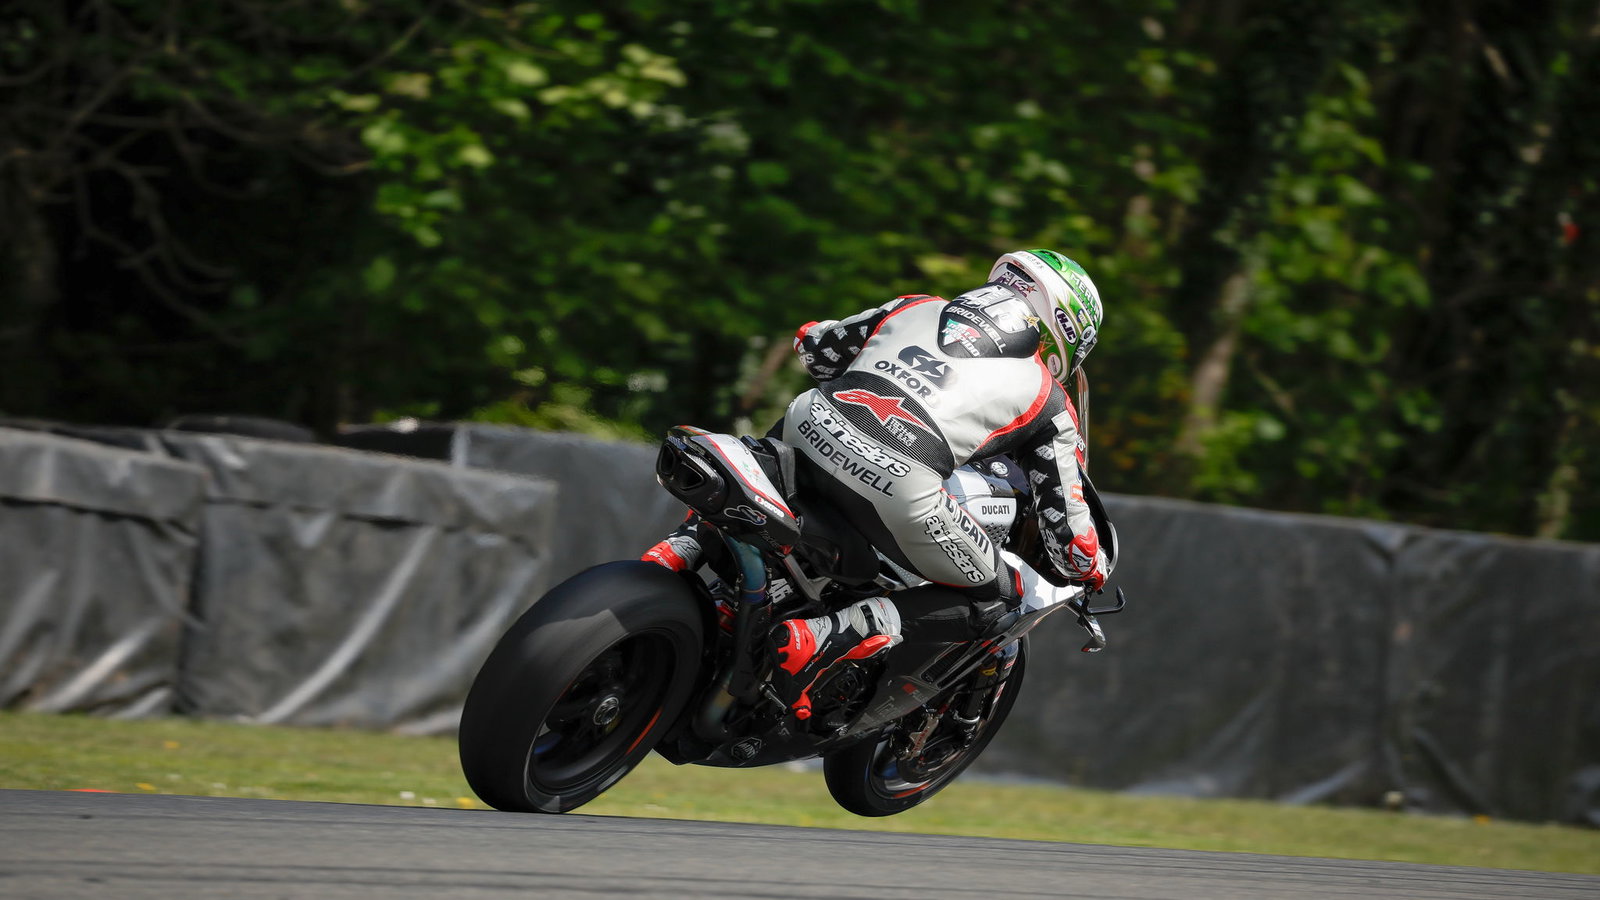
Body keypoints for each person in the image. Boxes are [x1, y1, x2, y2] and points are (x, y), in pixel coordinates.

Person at [643, 249, 1111, 715]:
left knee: (770, 450)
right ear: (1063, 338)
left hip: (808, 427)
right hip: (901, 489)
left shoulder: (915, 306)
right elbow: (1066, 531)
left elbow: (815, 346)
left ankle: (682, 547)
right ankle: (827, 634)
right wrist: (1091, 570)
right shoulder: (1049, 400)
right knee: (999, 599)